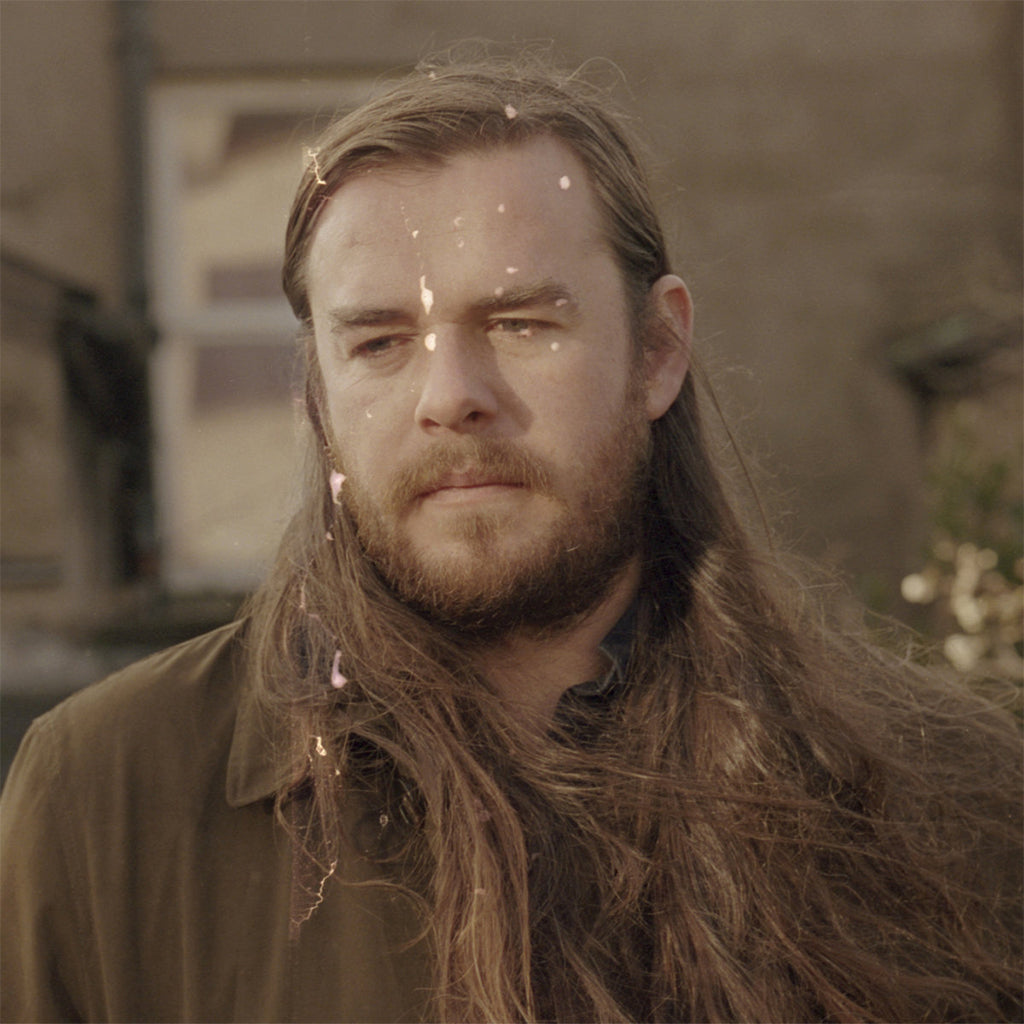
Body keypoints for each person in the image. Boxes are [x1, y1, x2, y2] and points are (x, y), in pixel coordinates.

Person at [2, 53, 1020, 1024]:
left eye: (522, 323)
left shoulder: (955, 802)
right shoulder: (108, 802)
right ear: (317, 396)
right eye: (379, 342)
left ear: (658, 350)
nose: (451, 397)